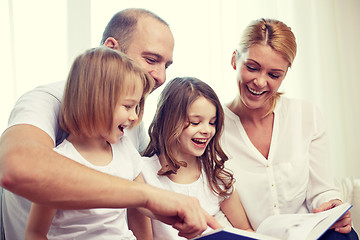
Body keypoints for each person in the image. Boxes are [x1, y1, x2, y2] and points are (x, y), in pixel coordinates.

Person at [0, 8, 219, 240]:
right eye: (151, 60)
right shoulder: (44, 101)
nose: (162, 77)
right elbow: (16, 168)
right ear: (110, 50)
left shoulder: (128, 124)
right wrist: (147, 195)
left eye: (167, 66)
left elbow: (140, 188)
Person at [221, 18, 359, 239]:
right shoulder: (211, 126)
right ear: (234, 59)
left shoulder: (307, 115)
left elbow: (321, 190)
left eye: (274, 75)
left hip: (306, 235)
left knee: (345, 235)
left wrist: (332, 205)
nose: (260, 82)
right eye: (252, 67)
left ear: (285, 74)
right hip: (250, 237)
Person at [25, 46, 154, 239]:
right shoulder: (59, 164)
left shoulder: (125, 148)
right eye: (128, 106)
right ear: (96, 101)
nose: (135, 116)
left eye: (136, 107)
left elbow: (147, 202)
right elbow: (35, 232)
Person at [139, 77, 254, 239]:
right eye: (195, 122)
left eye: (212, 123)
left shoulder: (215, 176)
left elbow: (245, 231)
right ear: (169, 121)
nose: (207, 130)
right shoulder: (142, 174)